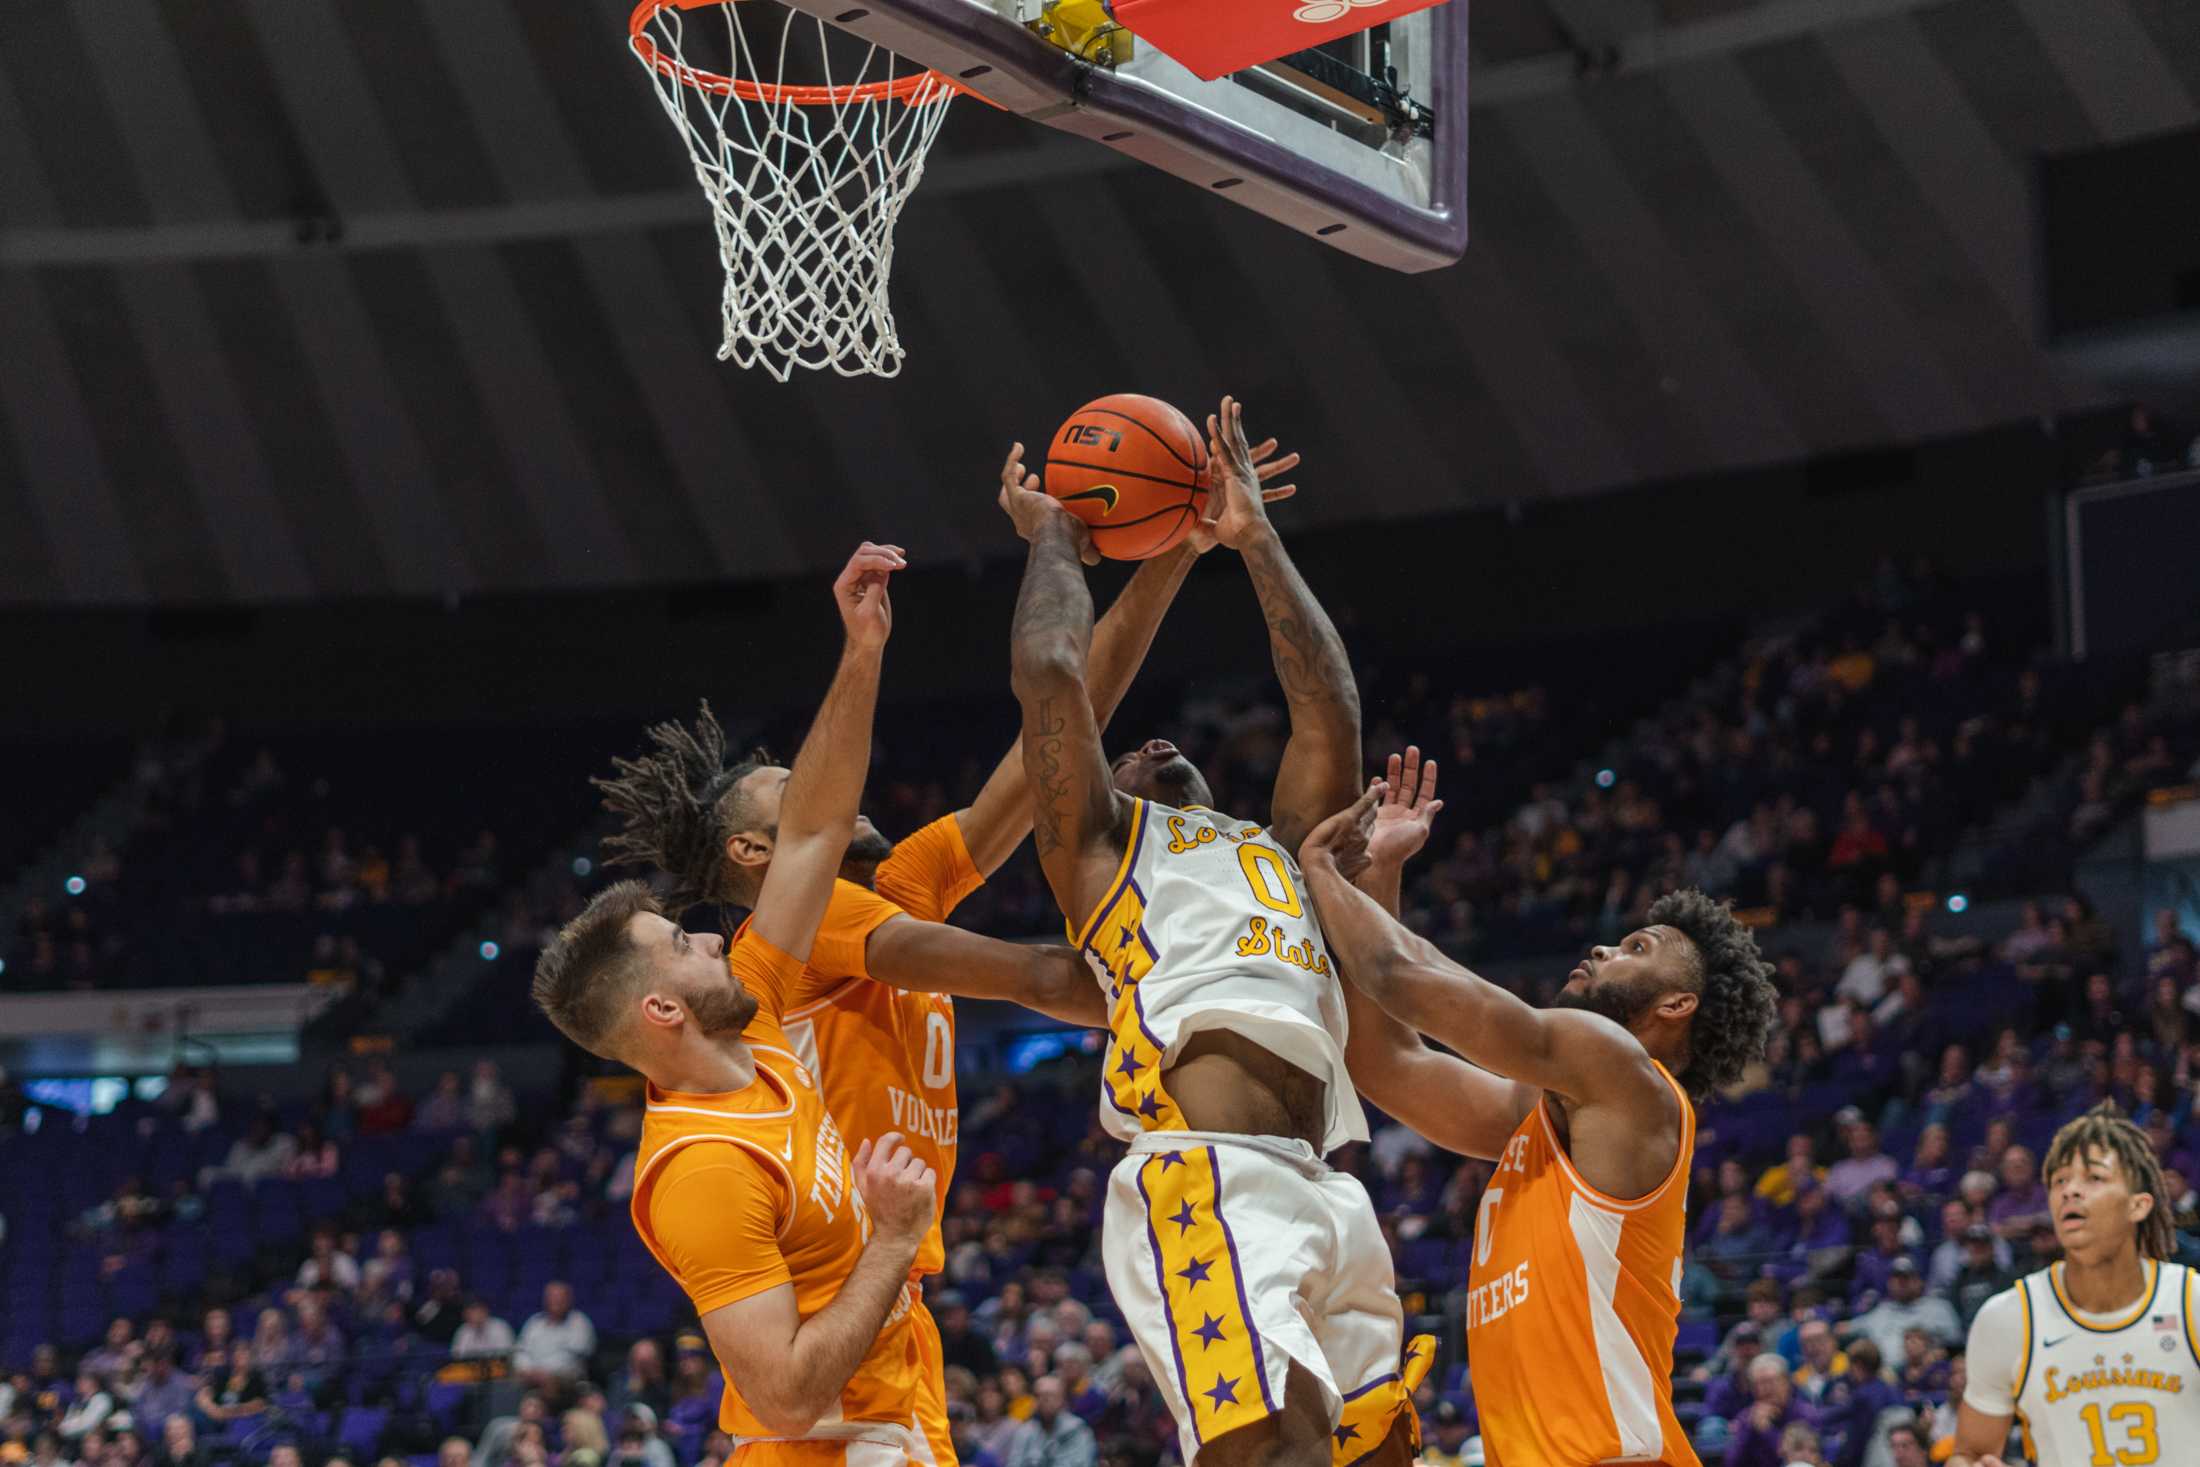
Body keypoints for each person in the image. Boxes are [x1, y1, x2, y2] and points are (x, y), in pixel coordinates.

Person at [591, 453, 1248, 1467]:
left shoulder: (892, 885)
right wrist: (1207, 982)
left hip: (893, 1316)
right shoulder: (808, 936)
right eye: (793, 785)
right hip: (837, 1315)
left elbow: (1055, 734)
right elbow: (1034, 977)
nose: (834, 789)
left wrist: (1168, 555)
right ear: (753, 855)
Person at [999, 398, 1422, 1467]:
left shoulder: (1284, 851)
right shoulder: (1098, 851)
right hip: (1210, 1176)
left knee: (1378, 1453)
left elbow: (1328, 708)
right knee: (1269, 1452)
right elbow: (1053, 678)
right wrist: (1059, 529)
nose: (1149, 745)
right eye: (1127, 754)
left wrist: (1253, 538)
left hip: (1327, 1182)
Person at [531, 544, 943, 1466]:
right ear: (664, 1014)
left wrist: (863, 647)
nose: (714, 936)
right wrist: (894, 1240)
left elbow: (816, 832)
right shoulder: (704, 1174)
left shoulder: (755, 1009)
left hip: (899, 1418)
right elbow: (787, 1399)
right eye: (683, 947)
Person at [1299, 756, 1779, 1467]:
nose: (1604, 946)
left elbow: (1399, 974)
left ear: (1675, 1005)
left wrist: (1322, 868)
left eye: (1635, 949)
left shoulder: (1625, 1074)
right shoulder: (1549, 1116)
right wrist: (1381, 872)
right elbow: (1386, 1062)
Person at [1950, 1102, 2200, 1466]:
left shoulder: (2190, 1303)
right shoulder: (2008, 1318)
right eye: (2060, 1181)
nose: (2069, 1191)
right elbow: (1969, 1454)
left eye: (2094, 1178)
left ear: (2138, 1206)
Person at [512, 1284, 595, 1399]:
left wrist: (544, 1372)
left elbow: (572, 1358)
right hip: (532, 1373)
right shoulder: (534, 1322)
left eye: (560, 1297)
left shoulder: (579, 1322)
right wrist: (526, 1369)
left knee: (550, 1381)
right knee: (506, 1378)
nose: (556, 1301)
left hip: (567, 1377)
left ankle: (549, 1415)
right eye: (552, 1297)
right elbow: (522, 1351)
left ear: (569, 1300)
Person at [1002, 1377, 1095, 1467]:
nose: (1044, 1400)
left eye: (1050, 1395)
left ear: (1062, 1399)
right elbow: (1014, 1463)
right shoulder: (1025, 1431)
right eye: (1039, 1395)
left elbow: (1081, 1463)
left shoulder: (1077, 1430)